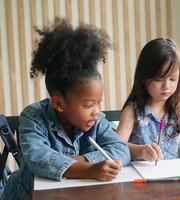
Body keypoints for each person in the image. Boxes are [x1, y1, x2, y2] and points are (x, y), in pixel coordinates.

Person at [2, 19, 130, 200]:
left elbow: (121, 149)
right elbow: (38, 158)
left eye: (99, 102)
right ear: (59, 104)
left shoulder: (96, 120)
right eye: (88, 105)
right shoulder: (33, 116)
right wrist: (89, 170)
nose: (97, 110)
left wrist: (83, 161)